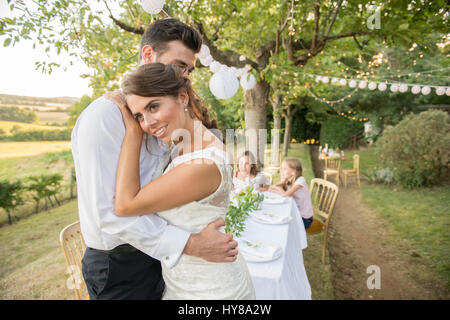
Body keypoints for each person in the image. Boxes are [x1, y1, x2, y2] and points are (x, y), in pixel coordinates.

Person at [71, 18, 239, 300]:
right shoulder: (104, 118)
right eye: (178, 66)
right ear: (148, 55)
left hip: (160, 258)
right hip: (119, 265)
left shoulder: (166, 114)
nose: (185, 77)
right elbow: (106, 215)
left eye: (188, 70)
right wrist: (189, 244)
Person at [104, 62, 255, 299]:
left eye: (153, 107)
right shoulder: (184, 146)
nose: (147, 123)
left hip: (211, 291)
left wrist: (132, 131)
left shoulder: (203, 163)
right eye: (138, 116)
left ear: (182, 98)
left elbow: (125, 204)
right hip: (184, 284)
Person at [268, 158, 314, 230]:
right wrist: (279, 184)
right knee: (277, 216)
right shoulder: (289, 181)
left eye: (284, 169)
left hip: (305, 219)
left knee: (282, 225)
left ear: (293, 172)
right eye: (281, 169)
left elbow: (284, 194)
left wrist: (278, 188)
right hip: (296, 213)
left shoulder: (300, 181)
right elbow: (275, 190)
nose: (281, 171)